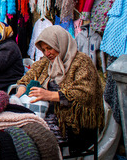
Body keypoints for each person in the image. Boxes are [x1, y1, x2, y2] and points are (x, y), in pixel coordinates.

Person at [15, 25, 104, 154]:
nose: (47, 53)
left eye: (50, 48)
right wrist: (21, 90)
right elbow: (26, 78)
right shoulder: (46, 62)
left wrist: (51, 95)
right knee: (16, 132)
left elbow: (84, 93)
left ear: (60, 44)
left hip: (71, 122)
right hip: (47, 114)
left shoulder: (82, 62)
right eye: (44, 49)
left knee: (33, 139)